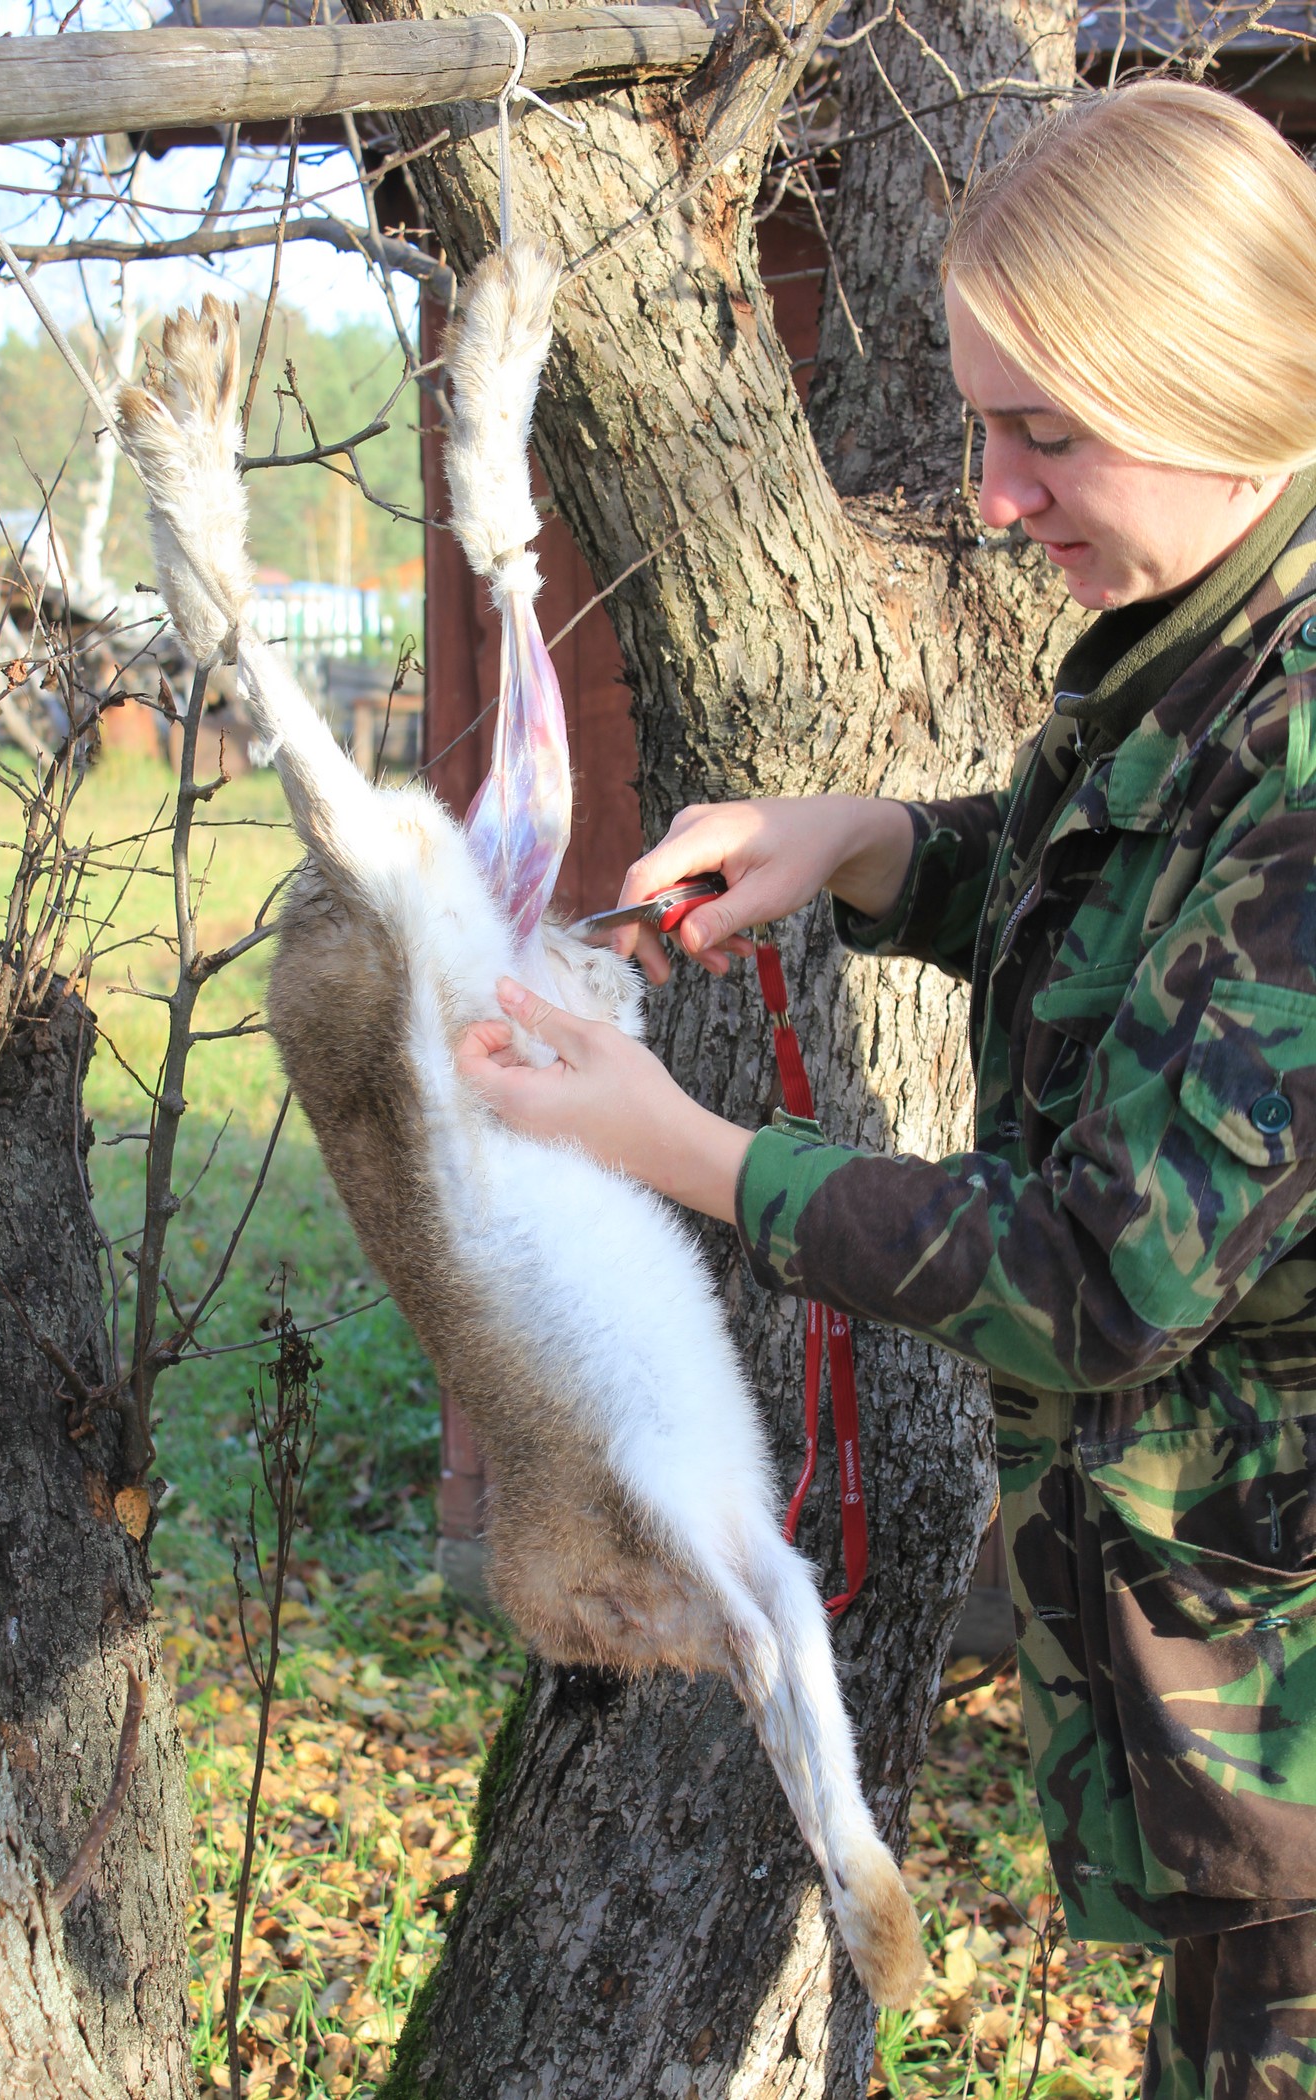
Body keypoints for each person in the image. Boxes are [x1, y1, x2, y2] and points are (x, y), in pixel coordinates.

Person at [457, 77, 1316, 2099]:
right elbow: (1137, 920)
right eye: (979, 422)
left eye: (1048, 437)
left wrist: (681, 1149)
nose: (998, 497)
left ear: (1224, 388)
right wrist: (864, 845)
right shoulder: (1208, 645)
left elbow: (1103, 1278)